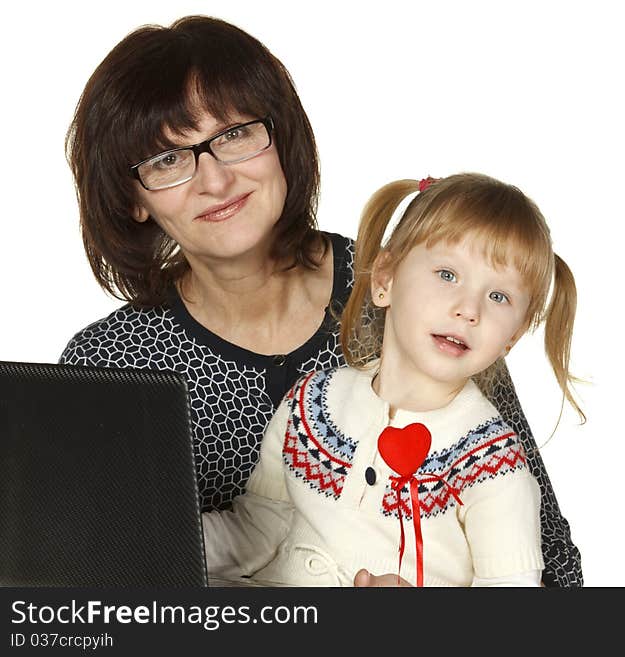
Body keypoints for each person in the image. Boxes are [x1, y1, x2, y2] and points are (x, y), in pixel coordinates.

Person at [58, 16, 582, 587]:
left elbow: (548, 561)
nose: (213, 180)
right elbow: (89, 586)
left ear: (279, 137)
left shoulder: (424, 290)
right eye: (167, 159)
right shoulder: (111, 364)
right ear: (131, 198)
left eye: (233, 134)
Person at [203, 173, 584, 586]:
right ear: (384, 279)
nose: (468, 309)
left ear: (511, 337)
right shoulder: (310, 402)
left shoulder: (494, 465)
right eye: (447, 274)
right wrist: (166, 540)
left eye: (499, 297)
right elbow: (258, 529)